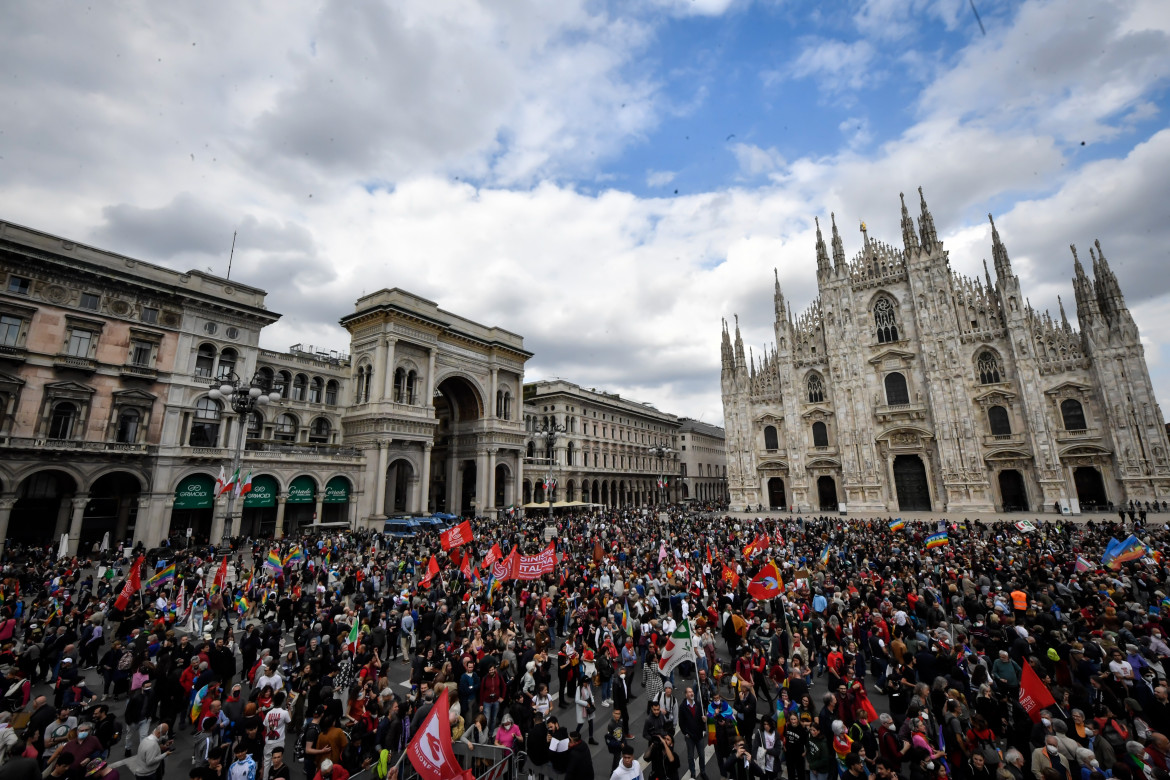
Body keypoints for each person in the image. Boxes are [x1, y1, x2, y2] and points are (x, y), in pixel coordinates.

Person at [679, 686, 709, 780]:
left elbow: (702, 718)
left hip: (699, 735)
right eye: (689, 692)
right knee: (690, 756)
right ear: (686, 694)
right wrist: (686, 733)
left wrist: (704, 724)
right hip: (690, 737)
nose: (691, 693)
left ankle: (703, 771)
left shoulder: (698, 704)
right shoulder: (683, 707)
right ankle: (693, 772)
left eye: (692, 692)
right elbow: (681, 722)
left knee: (702, 755)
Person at [576, 675, 598, 744]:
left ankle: (591, 738)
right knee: (581, 723)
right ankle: (575, 737)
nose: (587, 684)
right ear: (583, 682)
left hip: (589, 707)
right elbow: (576, 700)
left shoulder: (587, 687)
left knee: (591, 723)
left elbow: (590, 694)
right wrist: (586, 703)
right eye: (586, 682)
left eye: (588, 682)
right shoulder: (579, 689)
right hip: (582, 708)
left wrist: (593, 701)